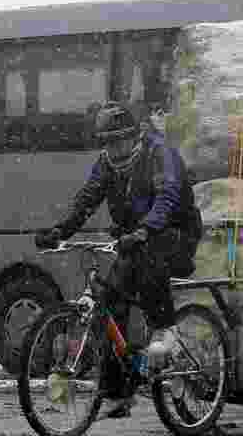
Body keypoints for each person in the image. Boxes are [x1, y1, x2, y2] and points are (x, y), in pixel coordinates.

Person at [35, 102, 203, 418]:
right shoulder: (108, 163)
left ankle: (166, 330)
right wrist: (60, 230)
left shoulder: (159, 153)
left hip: (175, 233)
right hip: (132, 238)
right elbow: (86, 199)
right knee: (109, 305)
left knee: (151, 262)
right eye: (107, 142)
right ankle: (117, 392)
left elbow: (167, 197)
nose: (113, 148)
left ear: (135, 136)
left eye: (118, 141)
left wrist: (146, 228)